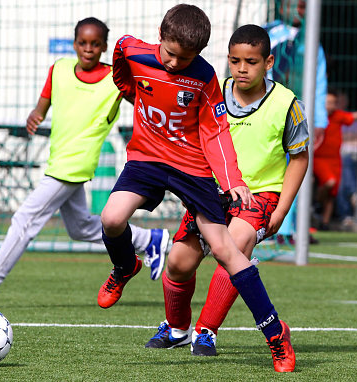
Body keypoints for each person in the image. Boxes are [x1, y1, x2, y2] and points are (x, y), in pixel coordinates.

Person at [97, 6, 295, 373]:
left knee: (225, 249)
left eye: (184, 58)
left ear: (199, 55)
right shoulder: (131, 48)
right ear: (160, 35)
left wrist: (232, 179)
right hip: (147, 159)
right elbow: (121, 66)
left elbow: (216, 130)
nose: (174, 64)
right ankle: (125, 266)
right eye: (170, 54)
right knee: (110, 218)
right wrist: (130, 91)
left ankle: (275, 334)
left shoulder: (204, 76)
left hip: (191, 167)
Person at [0, 17, 169, 308]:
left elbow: (146, 103)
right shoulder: (59, 69)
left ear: (103, 48)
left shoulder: (114, 80)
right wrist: (35, 115)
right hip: (58, 159)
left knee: (24, 220)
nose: (88, 49)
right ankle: (147, 240)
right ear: (75, 44)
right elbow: (44, 103)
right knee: (79, 228)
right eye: (83, 43)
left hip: (75, 164)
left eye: (95, 44)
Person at [143, 24, 307, 373]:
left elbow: (300, 157)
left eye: (251, 61)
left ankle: (206, 331)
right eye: (235, 61)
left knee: (233, 246)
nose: (242, 68)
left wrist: (282, 206)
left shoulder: (287, 104)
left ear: (268, 62)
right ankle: (177, 329)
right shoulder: (211, 92)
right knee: (178, 263)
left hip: (259, 195)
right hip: (211, 193)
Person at [264, 0, 327, 244]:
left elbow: (318, 82)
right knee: (271, 168)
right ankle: (266, 223)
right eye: (296, 5)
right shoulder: (269, 34)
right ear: (282, 8)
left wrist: (319, 119)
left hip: (297, 114)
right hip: (270, 113)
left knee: (298, 167)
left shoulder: (311, 42)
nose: (300, 10)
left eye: (304, 6)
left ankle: (287, 229)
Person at [313, 89, 357, 230]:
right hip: (318, 158)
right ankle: (316, 202)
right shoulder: (316, 116)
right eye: (328, 103)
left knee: (332, 193)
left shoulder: (338, 116)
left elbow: (352, 116)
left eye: (333, 103)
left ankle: (325, 223)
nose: (330, 106)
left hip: (335, 159)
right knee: (329, 182)